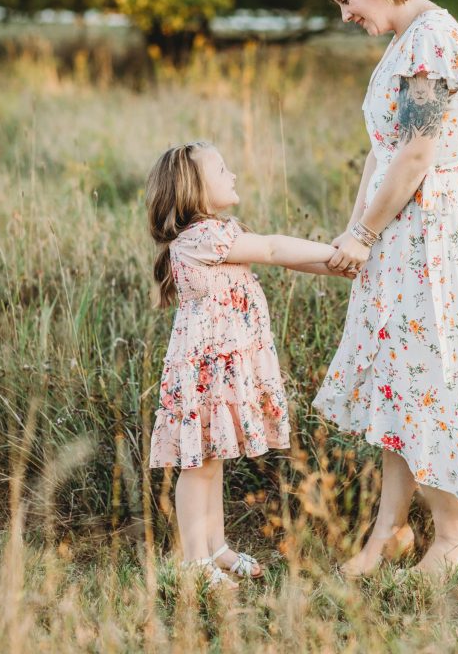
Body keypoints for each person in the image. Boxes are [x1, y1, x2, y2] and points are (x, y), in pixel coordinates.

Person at [312, 0, 458, 579]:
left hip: (432, 238)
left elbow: (417, 153)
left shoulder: (431, 43)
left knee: (430, 381)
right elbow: (382, 157)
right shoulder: (406, 45)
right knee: (400, 386)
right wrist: (355, 234)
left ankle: (455, 538)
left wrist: (366, 232)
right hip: (401, 236)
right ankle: (388, 536)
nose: (345, 14)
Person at [146, 140, 355, 590]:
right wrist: (333, 251)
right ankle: (192, 561)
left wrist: (336, 265)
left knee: (212, 461)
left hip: (219, 370)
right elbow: (276, 250)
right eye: (222, 170)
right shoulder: (205, 237)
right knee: (197, 464)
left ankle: (216, 548)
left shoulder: (218, 234)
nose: (233, 175)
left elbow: (279, 255)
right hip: (205, 373)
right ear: (195, 192)